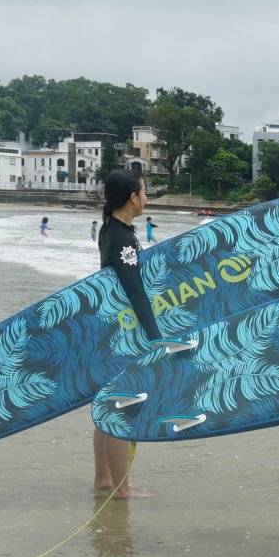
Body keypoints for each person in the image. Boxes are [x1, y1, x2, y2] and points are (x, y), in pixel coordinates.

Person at [94, 169, 161, 499]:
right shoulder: (122, 238)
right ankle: (122, 489)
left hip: (110, 328)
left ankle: (104, 480)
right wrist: (155, 335)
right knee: (121, 406)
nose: (146, 198)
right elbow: (135, 292)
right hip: (125, 332)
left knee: (107, 405)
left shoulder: (111, 230)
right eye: (144, 192)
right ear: (133, 198)